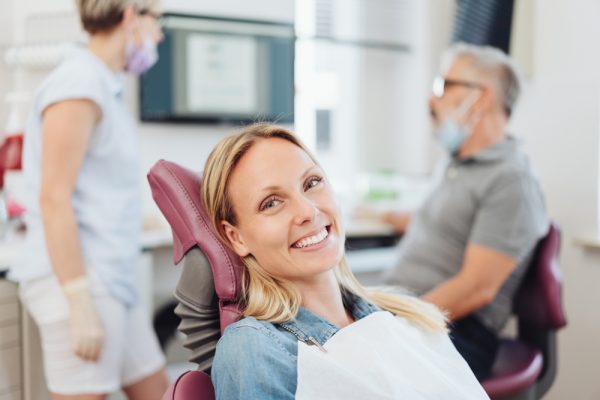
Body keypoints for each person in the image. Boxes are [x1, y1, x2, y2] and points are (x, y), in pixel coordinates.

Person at [200, 124, 489, 399]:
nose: (308, 211)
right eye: (272, 203)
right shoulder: (255, 349)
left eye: (312, 182)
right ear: (236, 237)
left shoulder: (404, 316)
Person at [10, 1, 168, 398]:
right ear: (131, 15)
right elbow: (53, 198)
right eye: (157, 21)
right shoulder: (78, 85)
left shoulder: (104, 85)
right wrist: (78, 302)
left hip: (112, 274)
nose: (159, 34)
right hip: (79, 278)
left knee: (158, 389)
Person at [378, 43, 549, 380]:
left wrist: (394, 324)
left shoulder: (512, 180)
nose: (431, 99)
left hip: (455, 330)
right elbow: (444, 225)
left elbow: (476, 288)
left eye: (443, 86)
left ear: (481, 98)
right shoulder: (457, 164)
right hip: (411, 311)